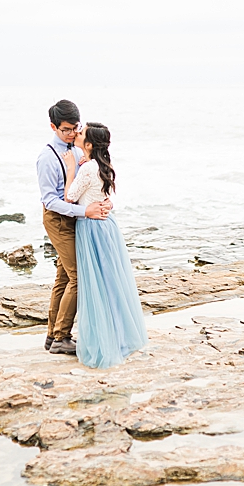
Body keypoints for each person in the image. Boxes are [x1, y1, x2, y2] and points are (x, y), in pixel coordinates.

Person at [63, 122, 148, 369]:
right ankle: (119, 337)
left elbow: (70, 197)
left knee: (96, 286)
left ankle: (104, 342)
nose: (77, 133)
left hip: (91, 229)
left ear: (88, 144)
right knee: (111, 284)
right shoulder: (99, 165)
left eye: (81, 132)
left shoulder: (86, 168)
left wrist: (71, 170)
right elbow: (102, 196)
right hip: (107, 227)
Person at [36, 99, 111, 356]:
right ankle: (62, 337)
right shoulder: (47, 157)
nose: (70, 134)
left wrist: (101, 203)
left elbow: (89, 184)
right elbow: (51, 200)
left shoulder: (80, 150)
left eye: (74, 128)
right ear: (53, 127)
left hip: (78, 219)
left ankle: (51, 336)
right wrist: (85, 210)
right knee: (78, 276)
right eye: (65, 129)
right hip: (58, 219)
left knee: (64, 277)